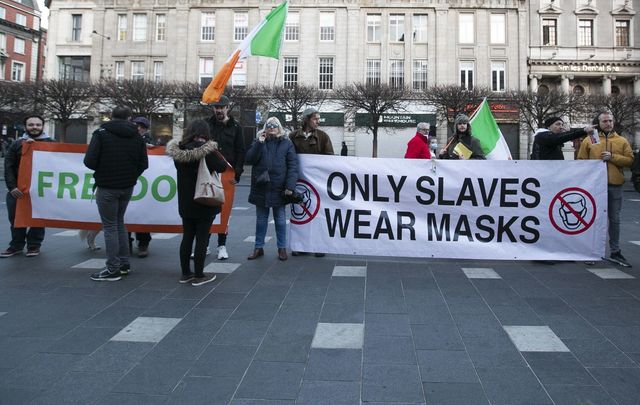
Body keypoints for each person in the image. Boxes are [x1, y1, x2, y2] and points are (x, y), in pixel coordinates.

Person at [83, 106, 148, 281]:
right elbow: (144, 163)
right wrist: (131, 175)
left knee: (110, 226)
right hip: (127, 186)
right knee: (119, 223)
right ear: (129, 118)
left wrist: (104, 170)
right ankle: (124, 263)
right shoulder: (137, 136)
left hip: (106, 186)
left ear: (111, 116)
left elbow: (89, 161)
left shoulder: (101, 133)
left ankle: (112, 268)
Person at [166, 119, 227, 286]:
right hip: (204, 200)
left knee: (187, 236)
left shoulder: (179, 151)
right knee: (202, 238)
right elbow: (222, 166)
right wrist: (213, 148)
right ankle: (199, 275)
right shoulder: (207, 151)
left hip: (185, 202)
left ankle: (185, 273)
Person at [577, 111, 633, 267]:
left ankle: (615, 251)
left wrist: (613, 157)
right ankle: (591, 251)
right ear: (599, 123)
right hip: (595, 186)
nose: (608, 123)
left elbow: (630, 160)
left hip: (615, 184)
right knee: (593, 218)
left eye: (610, 121)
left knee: (615, 219)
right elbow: (581, 161)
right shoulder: (589, 140)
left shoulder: (622, 140)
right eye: (605, 121)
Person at [1, 115, 54, 258]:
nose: (34, 127)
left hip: (40, 190)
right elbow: (9, 166)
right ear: (26, 127)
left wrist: (37, 146)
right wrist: (12, 187)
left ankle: (34, 246)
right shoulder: (16, 144)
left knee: (38, 219)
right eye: (31, 125)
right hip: (18, 190)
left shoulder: (51, 143)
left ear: (43, 126)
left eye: (38, 124)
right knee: (16, 218)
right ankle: (16, 245)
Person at [246, 117, 298, 261]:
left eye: (275, 126)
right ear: (265, 128)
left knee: (280, 220)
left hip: (279, 188)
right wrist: (258, 143)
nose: (272, 128)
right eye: (269, 126)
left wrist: (290, 186)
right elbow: (249, 159)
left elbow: (293, 167)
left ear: (279, 128)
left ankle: (282, 248)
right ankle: (258, 247)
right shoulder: (259, 142)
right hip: (261, 187)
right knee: (261, 220)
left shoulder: (287, 144)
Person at [290, 107, 333, 257]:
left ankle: (319, 245)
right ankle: (300, 245)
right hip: (299, 181)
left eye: (318, 119)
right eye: (315, 119)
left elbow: (329, 158)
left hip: (317, 182)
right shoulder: (293, 136)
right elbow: (289, 157)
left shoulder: (323, 137)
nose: (318, 122)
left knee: (319, 213)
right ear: (307, 119)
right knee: (300, 214)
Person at [207, 95, 245, 260]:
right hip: (209, 172)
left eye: (222, 107)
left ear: (227, 108)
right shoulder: (206, 125)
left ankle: (222, 245)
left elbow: (240, 150)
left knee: (225, 211)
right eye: (216, 107)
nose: (219, 110)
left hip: (227, 173)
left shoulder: (236, 127)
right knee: (206, 209)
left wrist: (237, 172)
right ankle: (204, 244)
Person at [129, 116, 155, 257]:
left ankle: (143, 243)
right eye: (136, 125)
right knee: (125, 213)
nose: (139, 128)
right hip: (128, 180)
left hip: (145, 182)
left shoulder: (149, 142)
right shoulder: (125, 138)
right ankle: (126, 241)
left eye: (142, 126)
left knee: (142, 212)